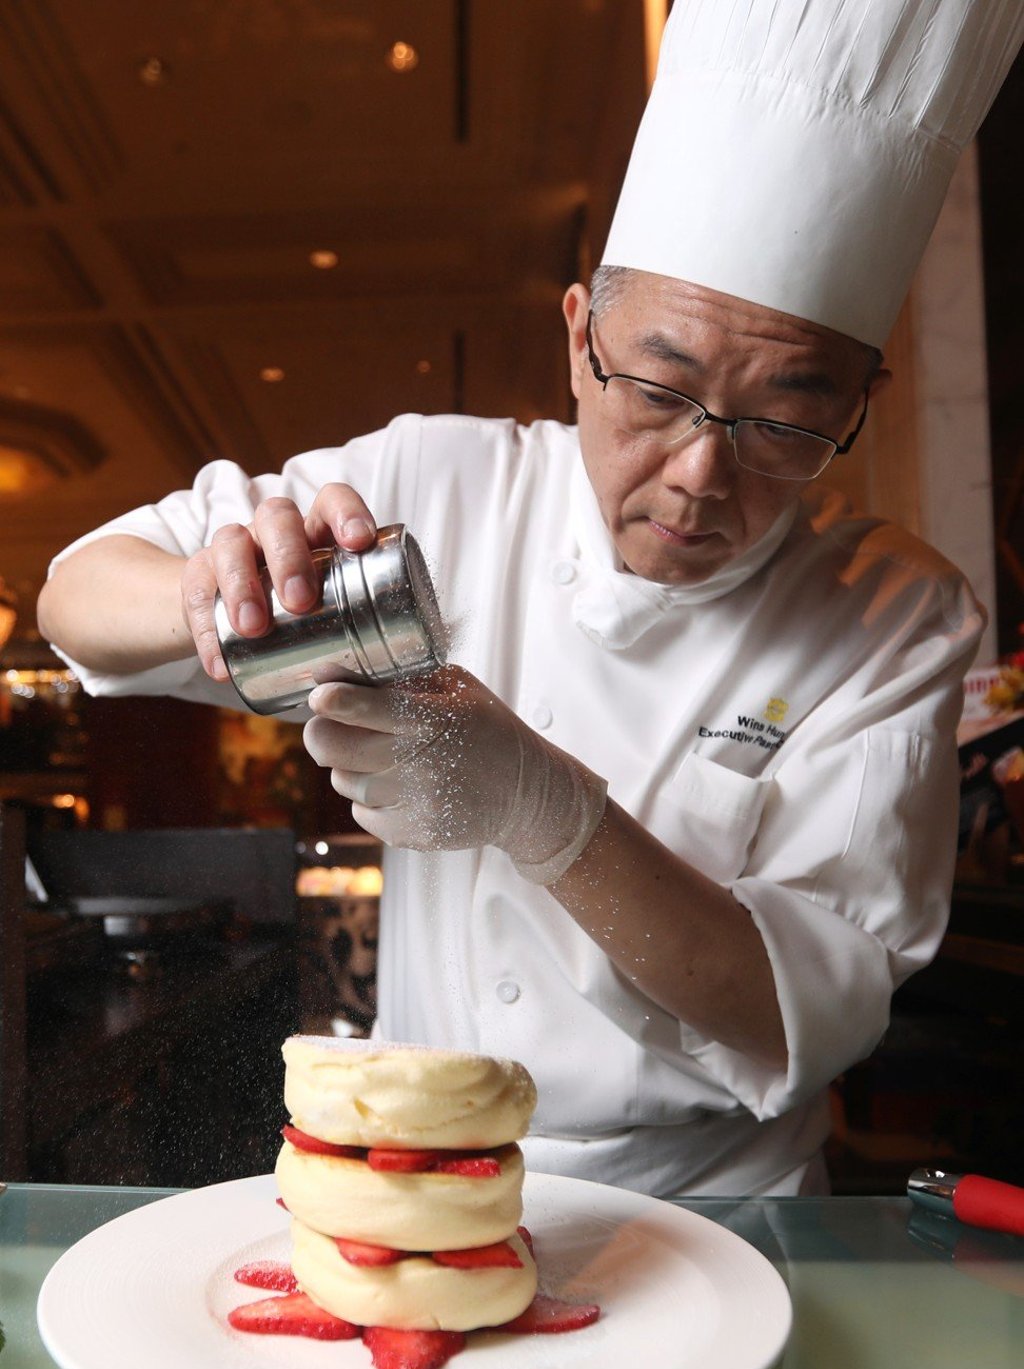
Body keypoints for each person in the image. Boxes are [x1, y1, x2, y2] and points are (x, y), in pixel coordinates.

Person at [37, 0, 1023, 1196]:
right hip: (427, 1179)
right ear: (578, 342)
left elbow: (799, 1004)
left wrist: (542, 809)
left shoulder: (893, 615)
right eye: (656, 394)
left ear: (858, 402)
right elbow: (76, 599)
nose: (701, 474)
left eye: (783, 420)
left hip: (721, 1209)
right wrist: (220, 584)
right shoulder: (436, 482)